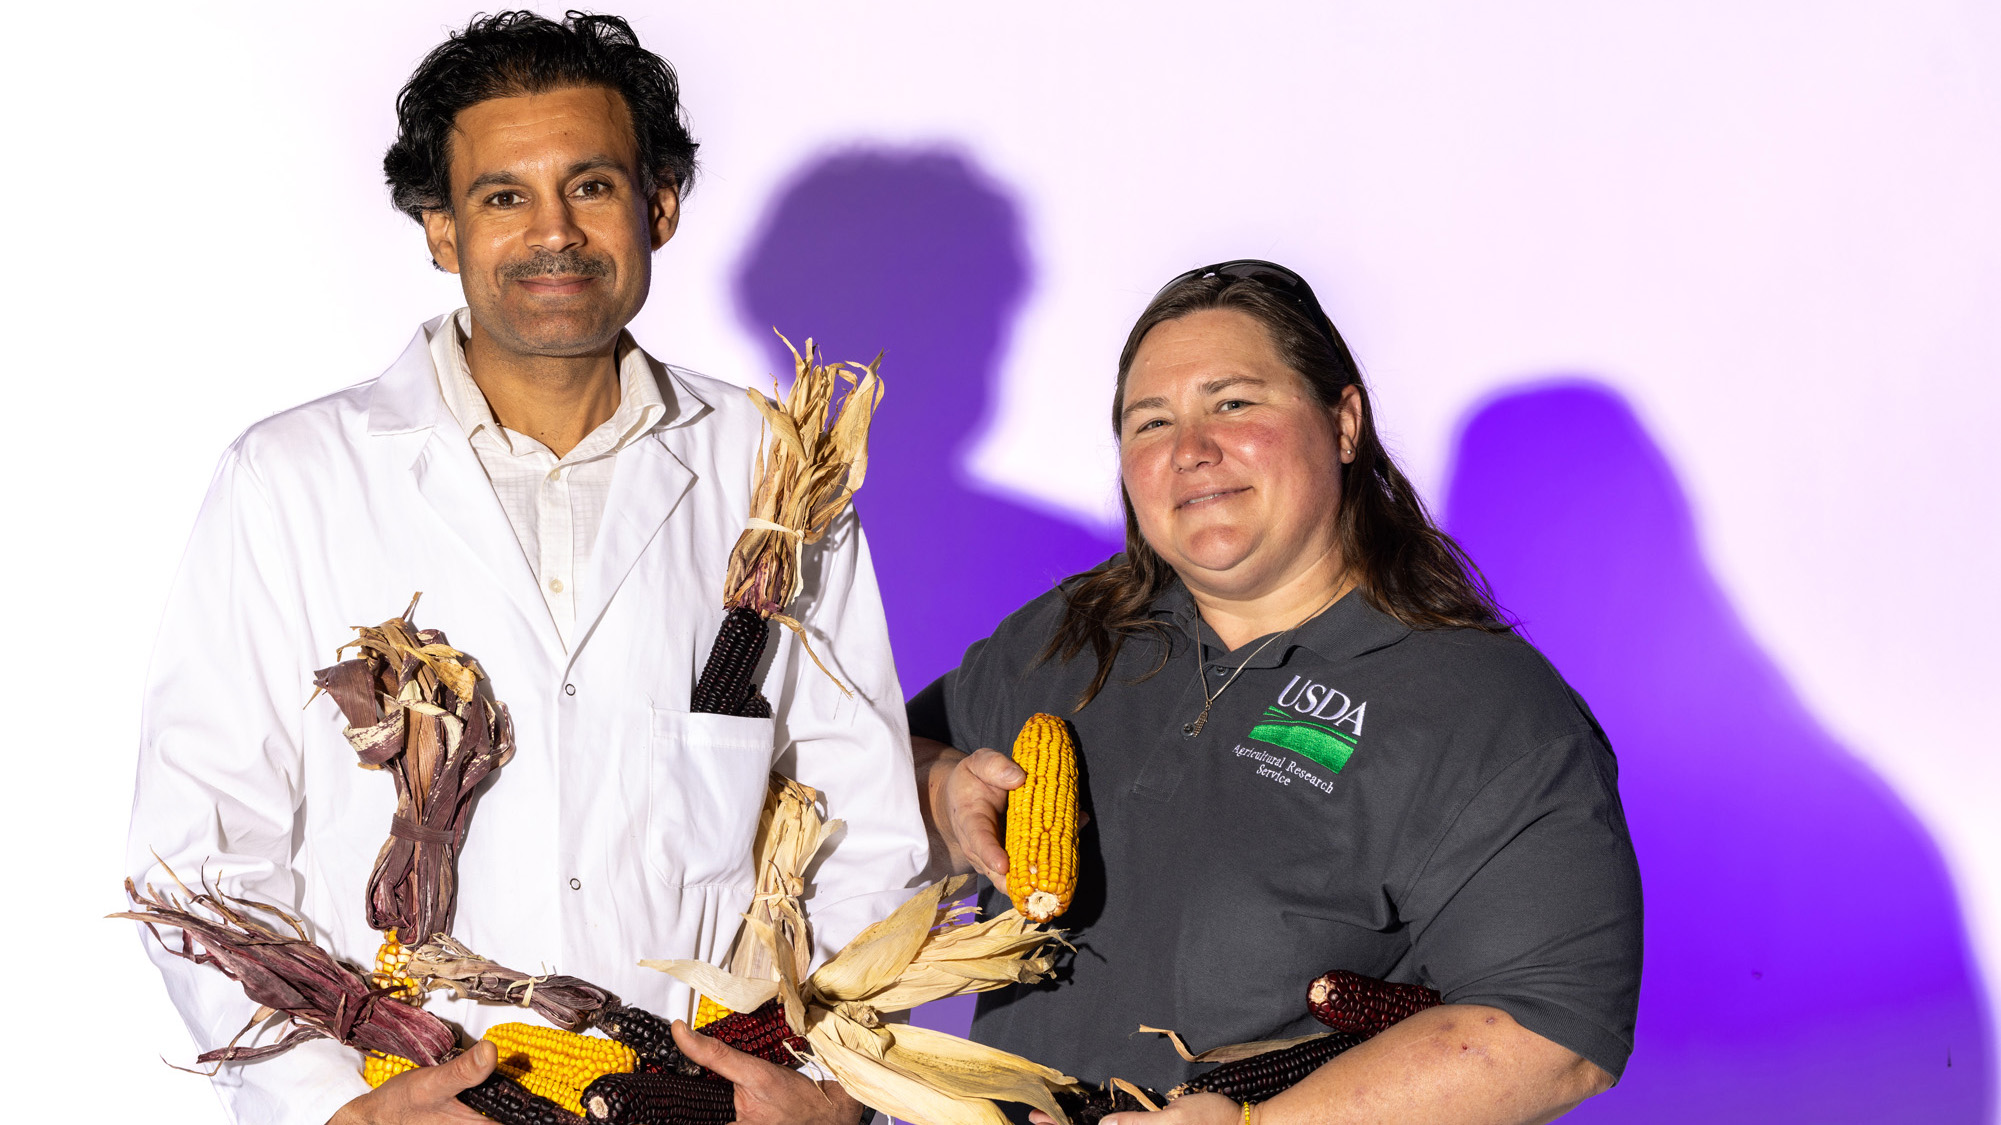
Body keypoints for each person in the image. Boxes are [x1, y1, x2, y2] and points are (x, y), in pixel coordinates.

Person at [124, 13, 921, 1125]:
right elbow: (203, 845)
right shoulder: (290, 479)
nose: (555, 233)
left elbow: (861, 823)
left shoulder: (775, 473)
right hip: (404, 1100)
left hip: (696, 1106)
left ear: (660, 206)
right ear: (442, 230)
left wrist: (827, 1087)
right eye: (503, 197)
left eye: (591, 186)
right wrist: (325, 1104)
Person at [912, 261, 1642, 1124]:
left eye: (1233, 403)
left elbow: (1550, 1033)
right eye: (1151, 421)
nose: (1190, 449)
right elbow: (874, 757)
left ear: (1342, 422)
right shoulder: (1067, 634)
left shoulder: (1486, 707)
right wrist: (937, 787)